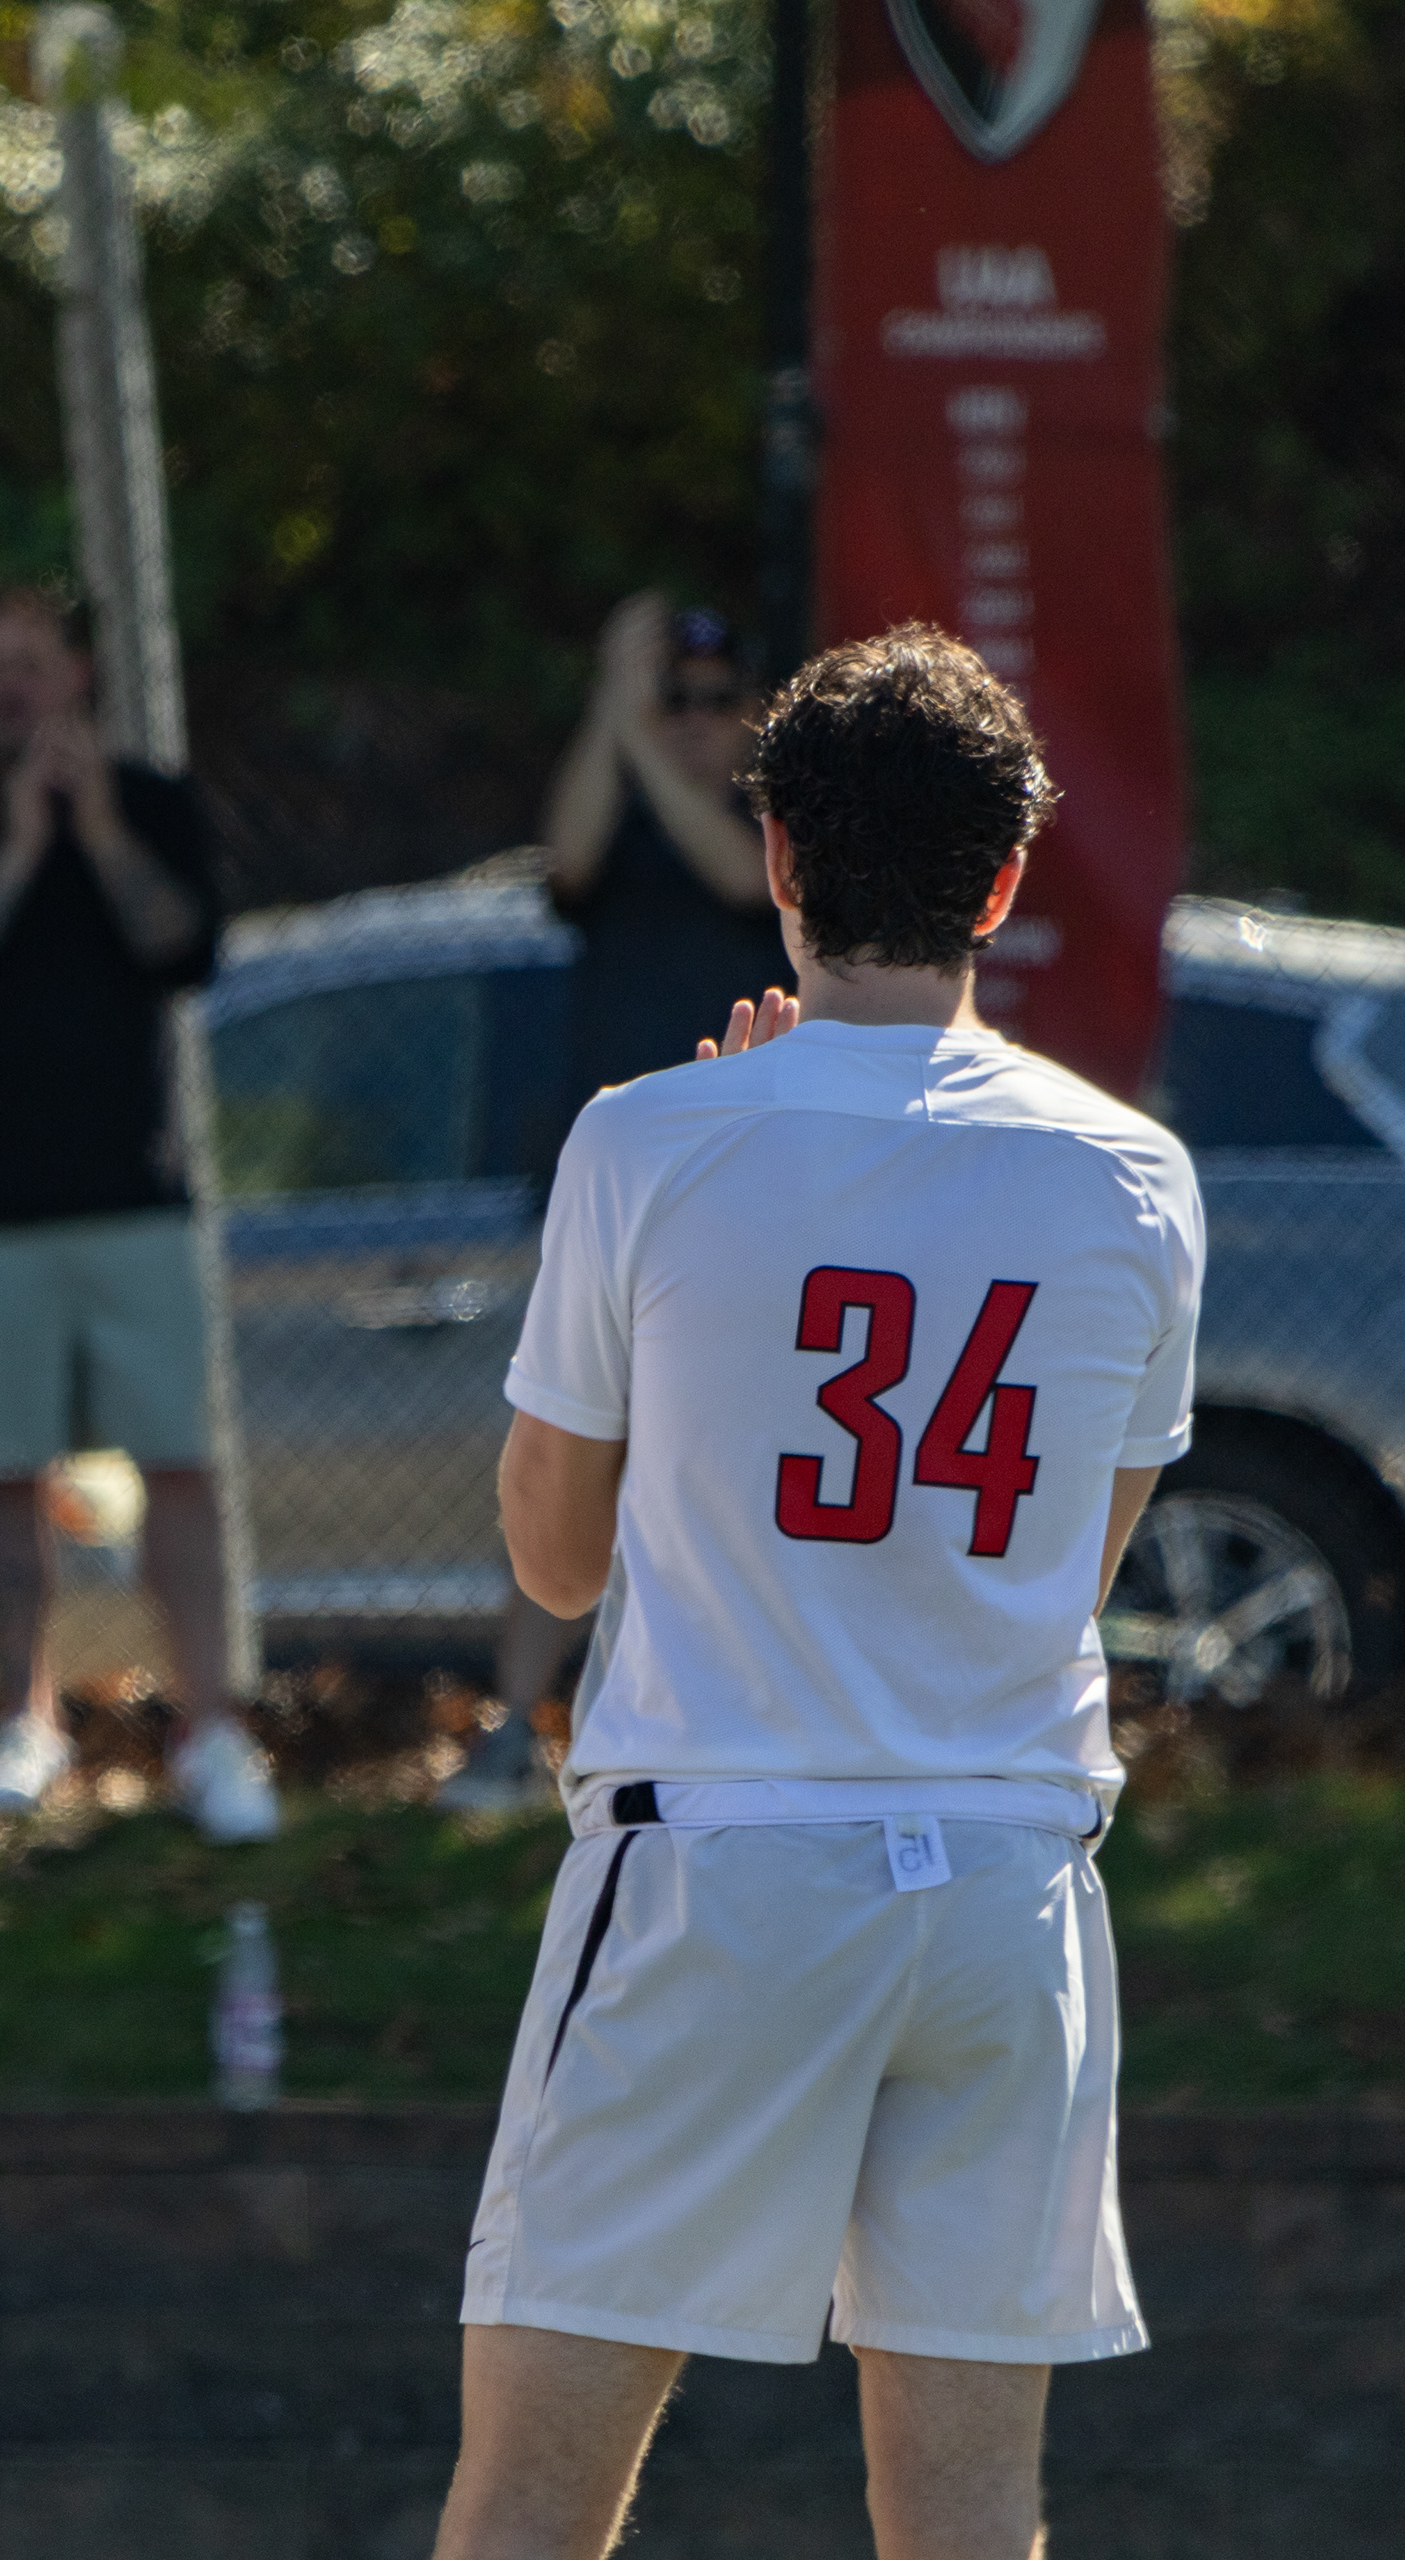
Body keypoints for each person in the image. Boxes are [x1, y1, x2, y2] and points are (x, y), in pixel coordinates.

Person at [438, 627, 1194, 2560]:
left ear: (776, 855)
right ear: (1002, 885)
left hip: (725, 1858)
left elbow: (553, 1559)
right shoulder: (1135, 1177)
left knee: (530, 2498)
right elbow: (1062, 1568)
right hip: (1008, 1882)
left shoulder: (649, 1139)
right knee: (969, 2517)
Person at [0, 584, 268, 1835]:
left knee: (179, 1466)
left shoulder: (150, 803)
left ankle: (210, 1732)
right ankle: (26, 1721)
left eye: (31, 664)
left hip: (131, 1203)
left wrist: (91, 829)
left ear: (78, 678)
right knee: (1, 1476)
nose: (12, 688)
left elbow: (182, 947)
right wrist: (16, 853)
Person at [448, 594, 786, 1810]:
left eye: (712, 702)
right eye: (670, 700)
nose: (688, 724)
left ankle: (712, 1723)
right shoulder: (624, 810)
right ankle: (512, 1726)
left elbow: (739, 881)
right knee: (572, 1444)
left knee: (719, 1460)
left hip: (741, 1191)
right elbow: (571, 862)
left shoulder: (776, 829)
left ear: (754, 712)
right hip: (617, 1188)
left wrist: (639, 735)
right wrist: (611, 701)